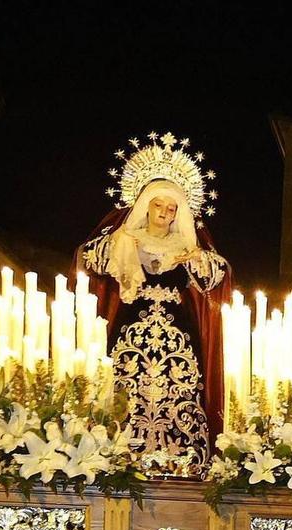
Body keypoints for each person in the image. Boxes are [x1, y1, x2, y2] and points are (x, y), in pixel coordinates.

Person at [78, 170, 230, 477]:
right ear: (146, 206)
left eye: (171, 208)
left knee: (180, 390)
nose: (164, 212)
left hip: (177, 334)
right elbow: (91, 259)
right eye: (159, 205)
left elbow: (215, 276)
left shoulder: (185, 245)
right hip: (133, 325)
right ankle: (121, 454)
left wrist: (195, 259)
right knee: (125, 387)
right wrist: (120, 245)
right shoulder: (126, 239)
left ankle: (180, 458)